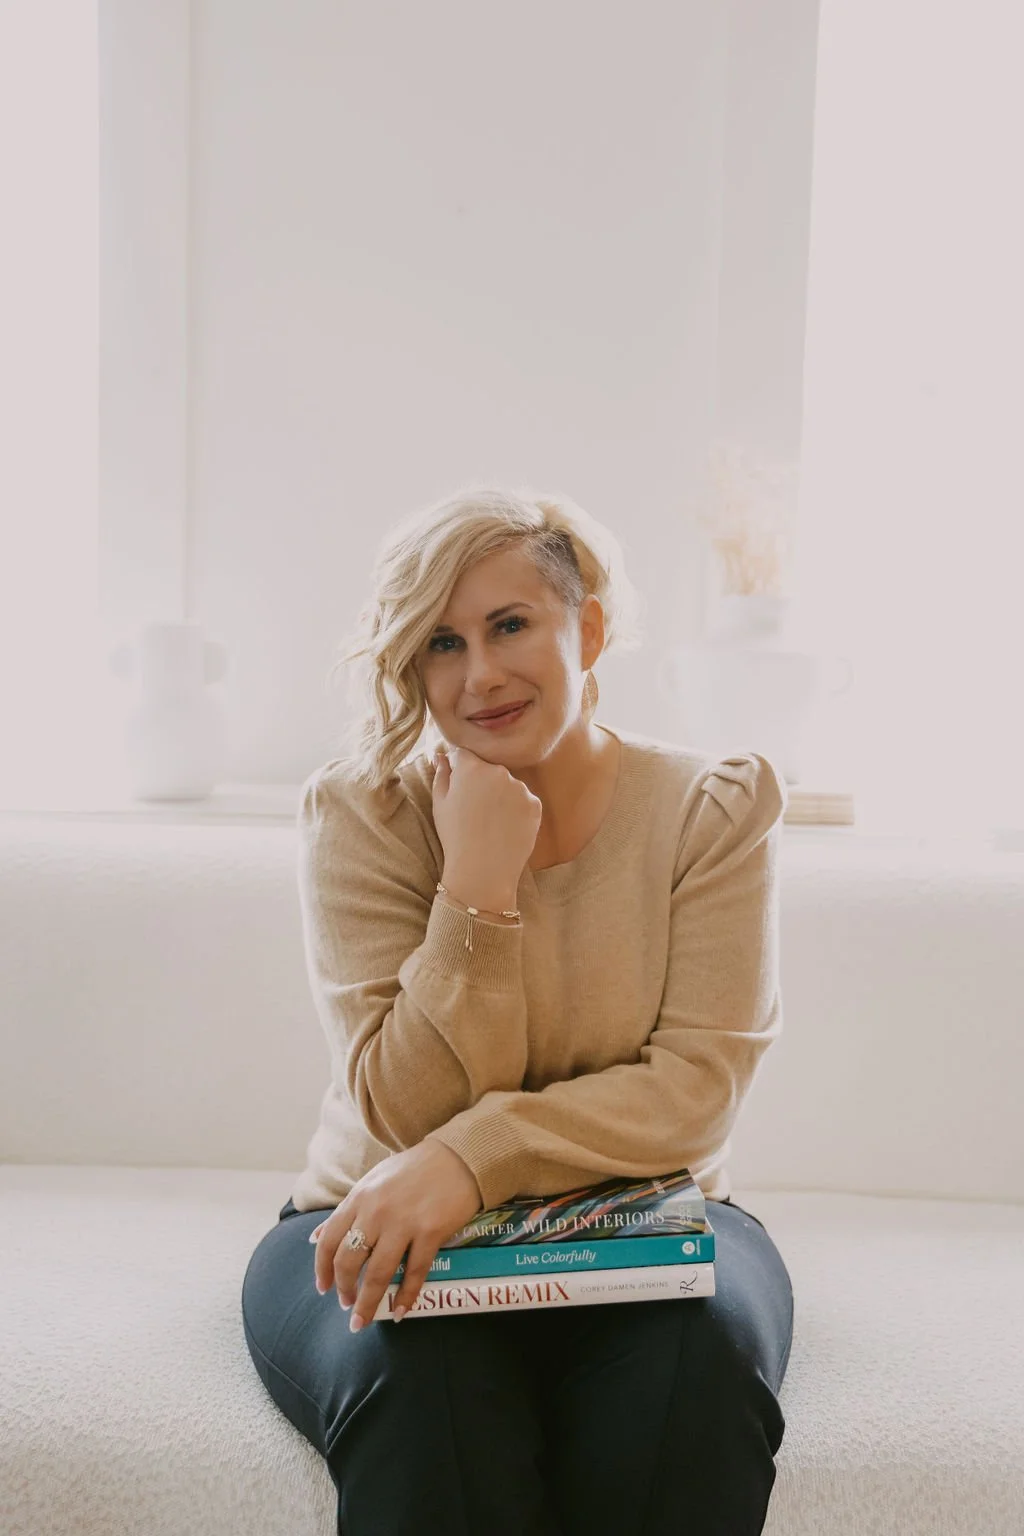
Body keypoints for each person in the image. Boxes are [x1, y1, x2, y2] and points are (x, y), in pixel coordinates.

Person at [241, 484, 794, 1536]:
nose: (479, 674)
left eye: (509, 625)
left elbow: (694, 1094)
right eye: (440, 643)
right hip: (372, 1220)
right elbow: (403, 1113)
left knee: (696, 1367)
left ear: (586, 627)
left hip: (653, 1215)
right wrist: (477, 889)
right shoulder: (364, 812)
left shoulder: (709, 811)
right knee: (424, 1386)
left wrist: (473, 1159)